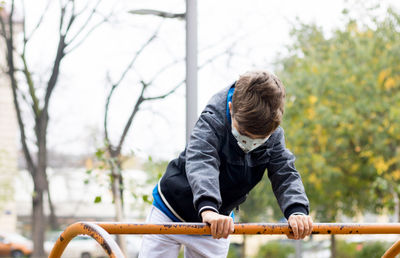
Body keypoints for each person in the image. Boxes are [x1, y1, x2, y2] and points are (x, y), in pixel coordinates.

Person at [139, 70, 313, 258]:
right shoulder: (212, 119)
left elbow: (285, 172)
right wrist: (208, 208)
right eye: (243, 132)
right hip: (173, 209)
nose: (249, 143)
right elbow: (202, 159)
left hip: (217, 222)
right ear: (230, 108)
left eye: (259, 139)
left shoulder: (274, 136)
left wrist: (297, 210)